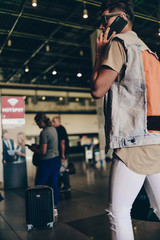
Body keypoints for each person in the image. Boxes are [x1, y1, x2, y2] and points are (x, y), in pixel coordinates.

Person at [90, 0, 160, 239]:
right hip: (156, 139)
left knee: (118, 211)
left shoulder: (120, 44)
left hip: (133, 142)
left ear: (121, 17)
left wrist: (99, 53)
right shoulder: (148, 52)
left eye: (106, 18)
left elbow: (98, 89)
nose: (102, 24)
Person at [30, 113, 61, 214]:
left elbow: (43, 151)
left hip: (47, 162)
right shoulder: (53, 129)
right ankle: (54, 206)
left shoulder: (44, 133)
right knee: (53, 184)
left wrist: (34, 149)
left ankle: (38, 207)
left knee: (39, 185)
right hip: (56, 160)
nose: (38, 125)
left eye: (37, 123)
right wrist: (38, 146)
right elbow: (50, 145)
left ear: (41, 121)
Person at [52, 116, 71, 192]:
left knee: (63, 170)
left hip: (63, 153)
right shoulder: (56, 129)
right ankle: (60, 185)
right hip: (60, 153)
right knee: (60, 170)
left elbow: (62, 142)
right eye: (52, 121)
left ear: (58, 122)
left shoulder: (61, 129)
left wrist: (62, 154)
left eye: (54, 121)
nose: (53, 123)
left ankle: (67, 186)